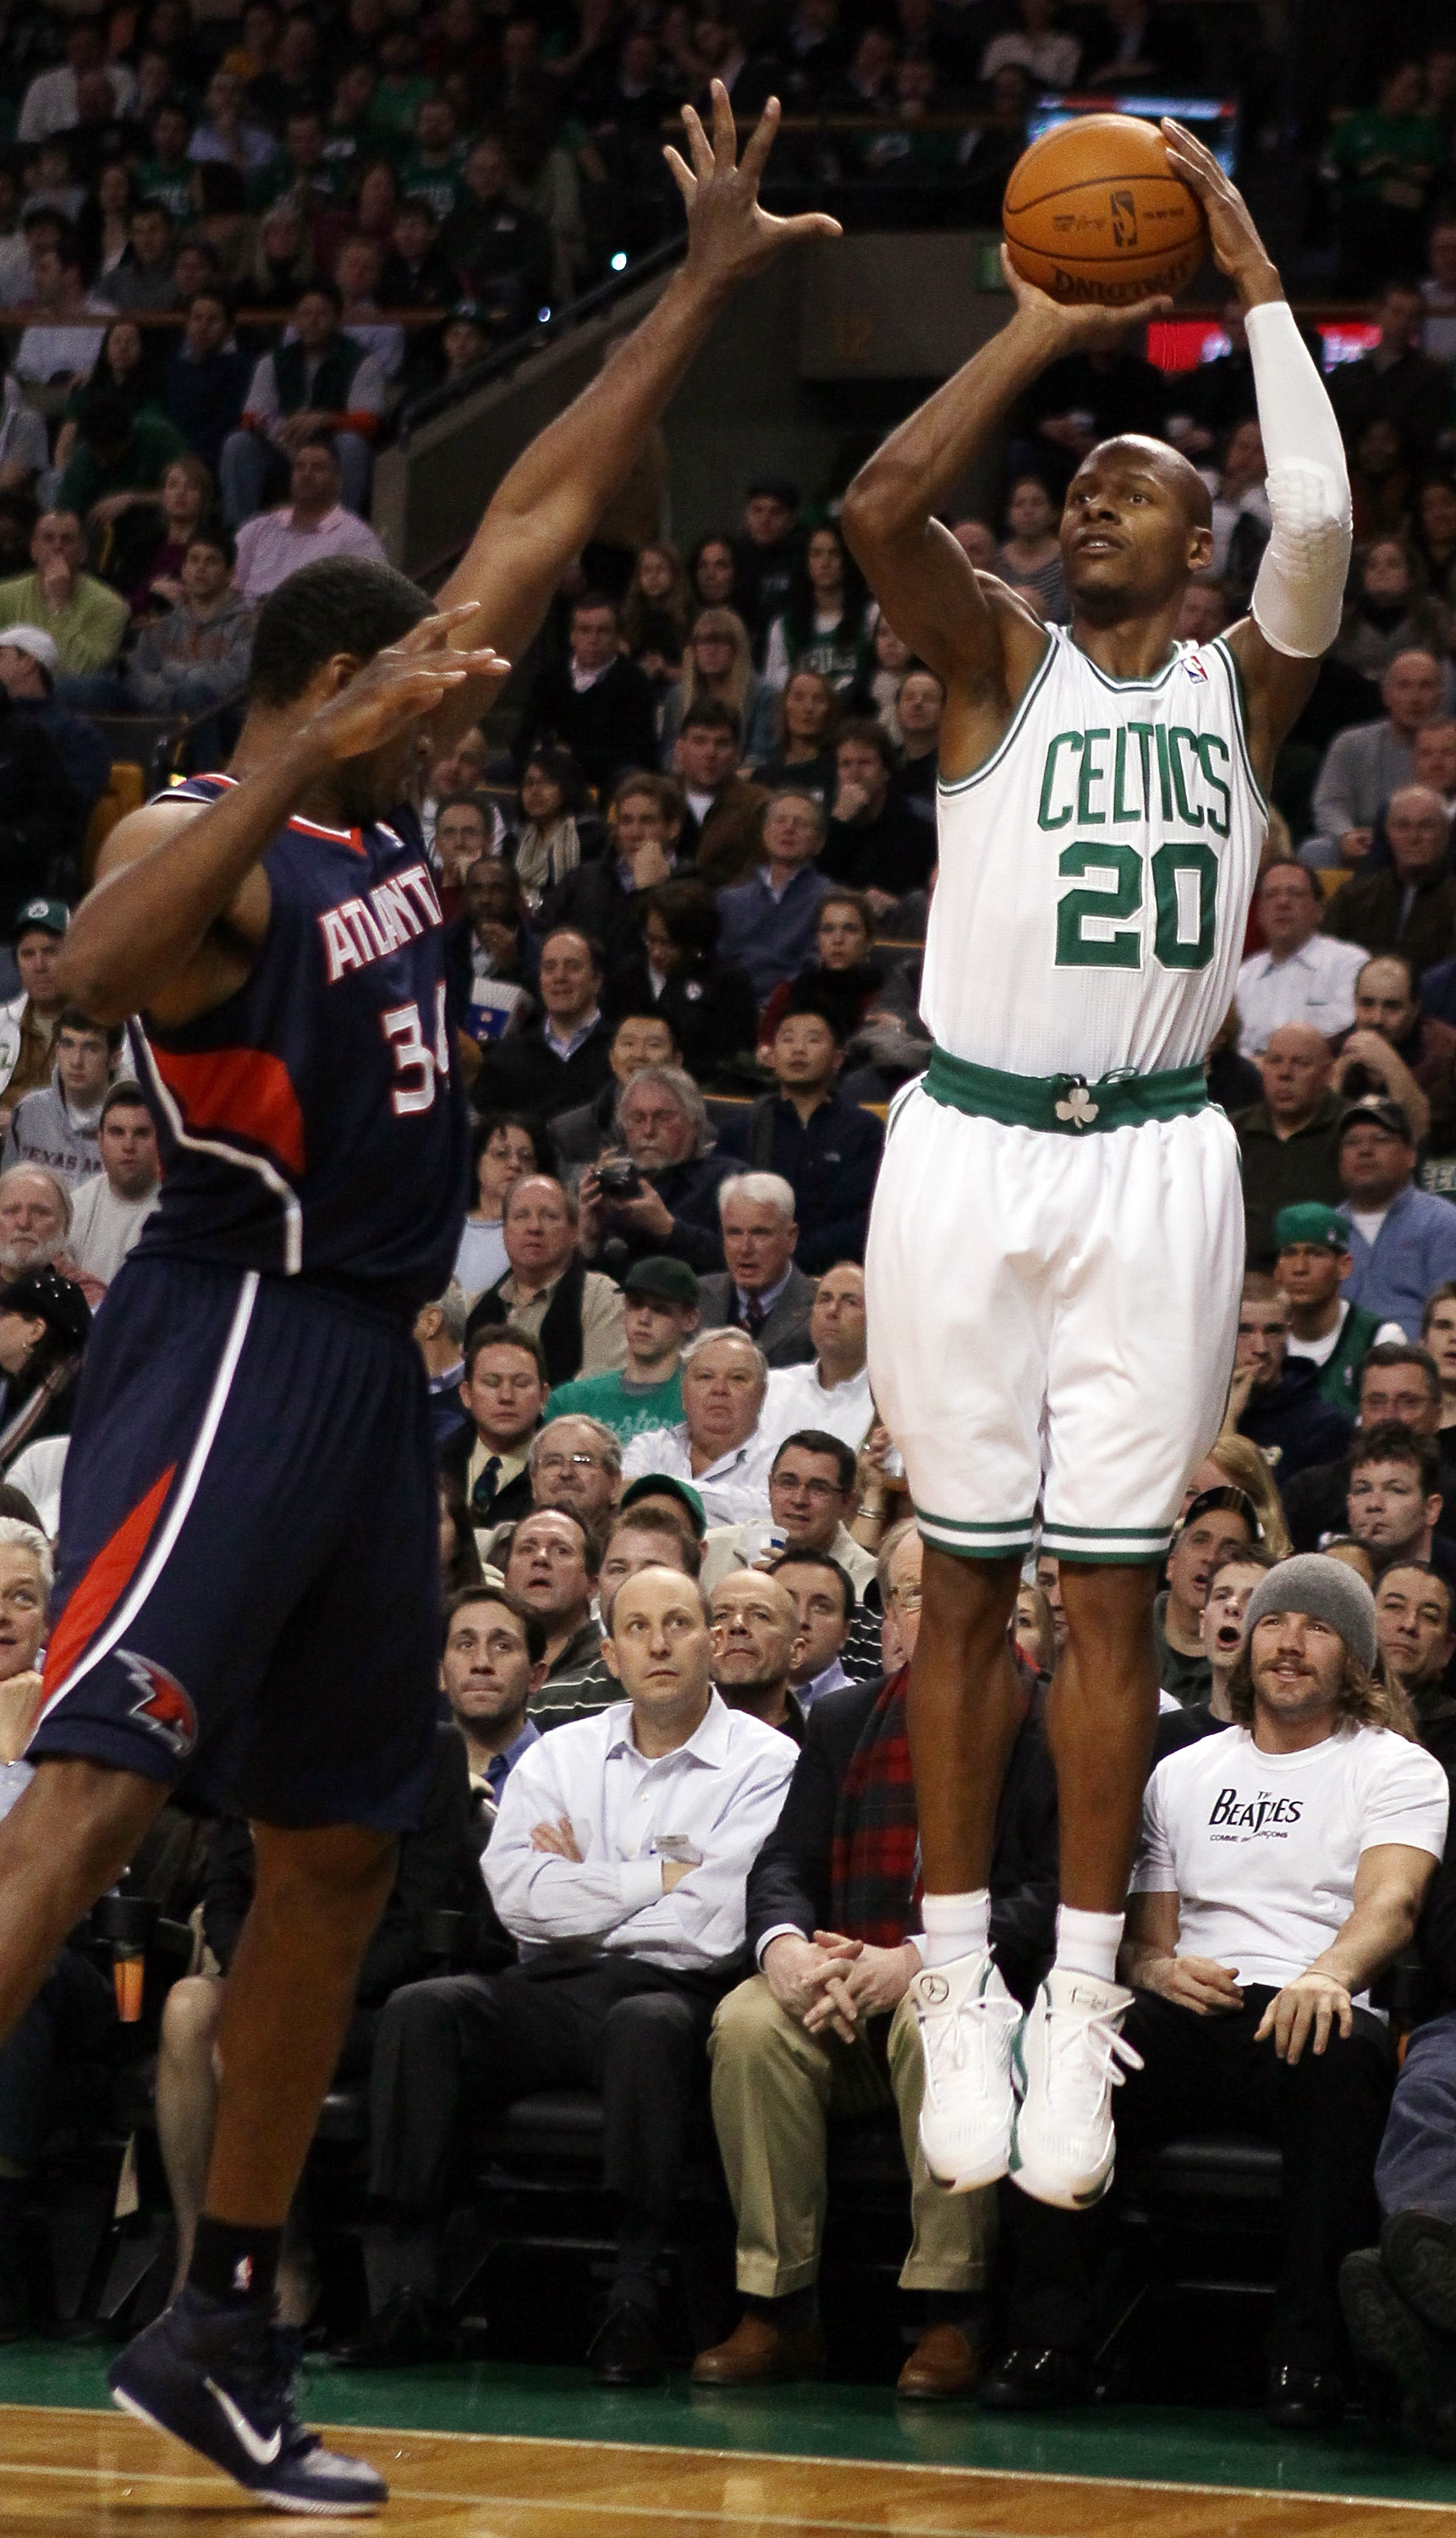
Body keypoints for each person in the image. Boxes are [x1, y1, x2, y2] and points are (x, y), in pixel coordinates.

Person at [1, 100, 830, 2504]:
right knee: (96, 1788)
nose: (470, 682)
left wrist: (695, 291)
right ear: (326, 683)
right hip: (234, 1330)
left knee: (340, 1852)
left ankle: (218, 2316)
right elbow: (81, 983)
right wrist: (294, 762)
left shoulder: (381, 802)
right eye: (420, 677)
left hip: (366, 1372)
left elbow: (540, 510)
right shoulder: (209, 829)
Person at [840, 125, 1346, 2207]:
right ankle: (958, 1977)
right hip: (967, 1140)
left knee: (1114, 1595)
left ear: (1199, 544)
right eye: (1076, 490)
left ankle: (1070, 1997)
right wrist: (1037, 331)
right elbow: (880, 505)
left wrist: (1248, 282)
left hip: (1149, 1159)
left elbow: (1318, 508)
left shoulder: (1243, 690)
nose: (1087, 503)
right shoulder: (994, 662)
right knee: (961, 1578)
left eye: (1132, 488)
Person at [992, 1555, 1447, 2424]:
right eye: (1274, 1622)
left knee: (1341, 2062)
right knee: (1063, 2040)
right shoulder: (1182, 1771)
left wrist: (1328, 1975)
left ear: (1354, 1658)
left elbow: (1390, 1904)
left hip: (1309, 2005)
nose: (1288, 1642)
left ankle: (1309, 2363)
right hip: (1190, 2005)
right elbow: (1144, 1939)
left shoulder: (1396, 1768)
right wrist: (1155, 1970)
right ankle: (1048, 2339)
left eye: (1316, 1627)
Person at [348, 1564, 796, 2381]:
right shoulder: (562, 1753)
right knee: (424, 2010)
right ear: (611, 1655)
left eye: (678, 1624)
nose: (658, 1644)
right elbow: (518, 1896)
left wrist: (586, 1876)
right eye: (637, 1628)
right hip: (553, 1985)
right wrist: (655, 1874)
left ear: (708, 1642)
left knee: (644, 2027)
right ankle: (407, 2294)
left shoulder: (765, 1761)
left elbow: (712, 1918)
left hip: (679, 1991)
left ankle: (632, 2302)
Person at [698, 1518, 1058, 2395]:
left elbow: (1054, 1897)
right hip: (841, 1984)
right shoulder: (842, 1718)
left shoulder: (1052, 1722)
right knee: (747, 2022)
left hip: (982, 1993)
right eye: (910, 1595)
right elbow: (785, 1863)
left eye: (953, 1593)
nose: (933, 1613)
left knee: (944, 2015)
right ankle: (778, 2306)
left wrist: (919, 1960)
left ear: (996, 1607)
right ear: (888, 1619)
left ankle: (951, 2311)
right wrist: (787, 1951)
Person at [221, 279, 387, 527]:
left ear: (337, 318)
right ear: (295, 320)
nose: (313, 321)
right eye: (306, 314)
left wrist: (324, 420)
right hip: (284, 450)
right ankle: (240, 533)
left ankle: (342, 530)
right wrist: (279, 427)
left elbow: (370, 421)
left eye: (322, 314)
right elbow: (250, 417)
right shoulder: (273, 361)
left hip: (332, 452)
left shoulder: (361, 362)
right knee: (238, 443)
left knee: (351, 443)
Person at [466, 1173, 626, 1386]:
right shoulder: (479, 1306)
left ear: (574, 1232)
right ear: (505, 1233)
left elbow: (600, 1390)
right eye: (521, 1216)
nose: (534, 1227)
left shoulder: (601, 1297)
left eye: (549, 1216)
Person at [576, 1064, 735, 1276]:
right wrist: (588, 1240)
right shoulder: (611, 1185)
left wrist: (668, 1229)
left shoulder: (729, 1181)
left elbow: (743, 1261)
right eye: (638, 1118)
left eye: (662, 1117)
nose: (648, 1130)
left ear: (694, 1124)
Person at [622, 1327, 776, 1525]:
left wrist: (657, 1488)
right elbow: (626, 1499)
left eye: (737, 1378)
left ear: (762, 1394)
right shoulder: (649, 1447)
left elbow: (770, 1511)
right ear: (683, 1391)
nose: (719, 1389)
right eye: (705, 1377)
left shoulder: (777, 1463)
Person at [1308, 650, 1445, 871]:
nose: (1415, 698)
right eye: (1404, 686)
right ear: (1386, 695)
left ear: (1440, 694)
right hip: (1367, 841)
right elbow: (1330, 803)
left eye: (1425, 686)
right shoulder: (1351, 743)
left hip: (1438, 841)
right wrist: (1345, 835)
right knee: (1316, 851)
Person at [517, 591, 658, 798]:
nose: (593, 639)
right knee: (494, 771)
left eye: (603, 631)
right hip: (549, 767)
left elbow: (637, 753)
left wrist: (573, 756)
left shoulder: (634, 681)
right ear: (572, 636)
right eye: (585, 630)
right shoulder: (550, 675)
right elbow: (525, 736)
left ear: (618, 637)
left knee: (631, 778)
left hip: (607, 774)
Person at [703, 1429, 875, 1599]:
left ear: (846, 1502)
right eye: (788, 1483)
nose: (799, 1500)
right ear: (770, 1487)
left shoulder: (869, 1580)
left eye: (819, 1489)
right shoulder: (712, 1549)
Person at [545, 1256, 700, 1444]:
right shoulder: (570, 1402)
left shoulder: (700, 1402)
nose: (643, 1319)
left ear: (690, 1319)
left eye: (660, 1309)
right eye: (635, 1305)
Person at [1338, 1097, 1456, 1337]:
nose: (1364, 1150)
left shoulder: (1442, 1221)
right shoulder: (1328, 1229)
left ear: (1411, 1155)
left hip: (1416, 1356)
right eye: (1352, 1142)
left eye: (1381, 1139)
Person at [472, 926, 614, 1122]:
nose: (559, 977)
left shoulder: (622, 1050)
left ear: (597, 980)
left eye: (573, 967)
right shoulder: (506, 1058)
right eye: (549, 968)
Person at [1234, 1025, 1343, 1268]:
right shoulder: (1233, 1133)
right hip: (1244, 1276)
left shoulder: (1350, 1129)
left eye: (1301, 1064)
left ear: (1327, 1073)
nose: (1285, 1073)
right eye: (1274, 1061)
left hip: (1324, 1275)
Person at [1276, 1201, 1402, 1411]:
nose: (1300, 1268)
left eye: (1315, 1254)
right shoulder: (1262, 1339)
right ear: (1277, 1270)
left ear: (1344, 1266)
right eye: (1289, 1254)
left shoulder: (1379, 1339)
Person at [233, 437, 387, 604]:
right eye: (300, 467)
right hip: (248, 617)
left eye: (318, 468)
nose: (306, 473)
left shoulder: (357, 538)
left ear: (338, 480)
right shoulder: (257, 529)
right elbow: (232, 589)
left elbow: (373, 599)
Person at [440, 1585, 544, 1832]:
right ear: (440, 1673)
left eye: (502, 1646)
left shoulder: (567, 1777)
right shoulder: (410, 1779)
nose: (482, 1663)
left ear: (535, 1676)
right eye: (466, 1645)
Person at [1230, 1272, 1355, 1476]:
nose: (1261, 1348)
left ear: (1289, 1332)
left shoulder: (1323, 1428)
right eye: (1244, 1331)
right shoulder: (1196, 1413)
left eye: (1273, 1331)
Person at [1235, 860, 1366, 1053]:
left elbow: (1342, 1031)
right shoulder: (1243, 976)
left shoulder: (1349, 963)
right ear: (1260, 912)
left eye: (1296, 893)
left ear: (1319, 909)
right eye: (1271, 895)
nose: (1282, 903)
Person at [124, 527, 254, 722]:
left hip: (221, 718)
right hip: (161, 709)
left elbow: (234, 679)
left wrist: (173, 673)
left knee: (191, 694)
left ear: (229, 574)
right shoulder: (161, 627)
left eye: (211, 561)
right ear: (183, 571)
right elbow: (137, 675)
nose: (200, 568)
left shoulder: (246, 626)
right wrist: (170, 694)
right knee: (95, 687)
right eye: (194, 560)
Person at [715, 789, 834, 1001]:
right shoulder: (729, 900)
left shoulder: (830, 899)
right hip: (733, 1004)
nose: (789, 829)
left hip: (796, 1004)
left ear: (819, 842)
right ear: (764, 832)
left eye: (801, 824)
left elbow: (817, 964)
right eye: (780, 821)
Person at [1325, 787, 1456, 977]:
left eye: (1426, 826)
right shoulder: (1353, 896)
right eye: (1402, 826)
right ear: (1387, 832)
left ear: (1446, 833)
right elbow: (1325, 958)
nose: (1413, 837)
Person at [697, 1171, 816, 1368]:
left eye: (760, 1233)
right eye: (734, 1233)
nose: (745, 1248)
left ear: (791, 1238)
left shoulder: (819, 1310)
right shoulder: (695, 1298)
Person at [1153, 1486, 1260, 1706]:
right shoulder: (1126, 1637)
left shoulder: (1254, 1668)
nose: (1211, 1557)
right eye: (1200, 1540)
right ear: (1171, 1564)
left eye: (1230, 1548)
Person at [498, 1505, 609, 1714]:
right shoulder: (482, 1658)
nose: (540, 1558)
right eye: (527, 1549)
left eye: (561, 1550)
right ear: (505, 1578)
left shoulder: (612, 1661)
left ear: (592, 1585)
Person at [0, 510, 128, 686]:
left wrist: (58, 606)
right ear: (34, 549)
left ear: (83, 552)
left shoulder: (110, 606)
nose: (57, 546)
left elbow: (81, 670)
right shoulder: (4, 595)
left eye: (67, 540)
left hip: (72, 695)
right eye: (48, 538)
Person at [759, 1260, 872, 1458]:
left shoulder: (887, 1404)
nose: (832, 1310)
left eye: (850, 1302)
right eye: (824, 1299)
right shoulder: (771, 1388)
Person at [440, 1326, 547, 1527]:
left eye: (521, 1384)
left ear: (543, 1394)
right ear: (466, 1394)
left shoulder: (559, 1473)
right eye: (491, 1383)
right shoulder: (430, 1463)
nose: (506, 1396)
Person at [3, 1010, 119, 1192]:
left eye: (90, 1048)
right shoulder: (28, 1112)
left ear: (114, 1059)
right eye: (68, 1045)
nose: (76, 1061)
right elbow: (7, 1190)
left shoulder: (135, 1118)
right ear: (57, 1050)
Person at [551, 1010, 679, 1170]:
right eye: (629, 1044)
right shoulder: (570, 1132)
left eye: (653, 1045)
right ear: (612, 1059)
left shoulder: (703, 1123)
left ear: (677, 1060)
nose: (639, 1055)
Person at [63, 1080, 160, 1288]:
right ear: (100, 1140)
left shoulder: (179, 1211)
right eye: (117, 1132)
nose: (128, 1146)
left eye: (141, 1133)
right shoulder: (76, 1209)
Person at [453, 1112, 550, 1303]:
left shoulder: (539, 1232)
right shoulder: (445, 1229)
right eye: (501, 1154)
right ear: (477, 1162)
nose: (515, 1164)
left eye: (525, 1157)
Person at [1373, 1561, 1456, 1756]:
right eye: (1394, 1606)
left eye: (1429, 1616)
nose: (1409, 1624)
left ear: (1447, 1649)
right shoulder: (1321, 1709)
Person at [1346, 1424, 1448, 1581]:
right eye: (1363, 1490)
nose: (1374, 1504)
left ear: (1431, 1509)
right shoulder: (1328, 1574)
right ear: (1349, 1504)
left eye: (1396, 1490)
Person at [710, 1566, 805, 1737]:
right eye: (722, 1616)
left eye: (760, 1615)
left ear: (796, 1653)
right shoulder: (665, 1741)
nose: (737, 1625)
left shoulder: (827, 1747)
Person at [0, 904, 69, 1126]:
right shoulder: (2, 1023)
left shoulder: (105, 1025)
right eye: (28, 954)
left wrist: (20, 1122)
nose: (39, 966)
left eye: (51, 952)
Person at [772, 1548, 855, 1706]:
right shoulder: (727, 1700)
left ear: (846, 1632)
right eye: (787, 1602)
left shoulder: (865, 1712)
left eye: (821, 1608)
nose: (801, 1619)